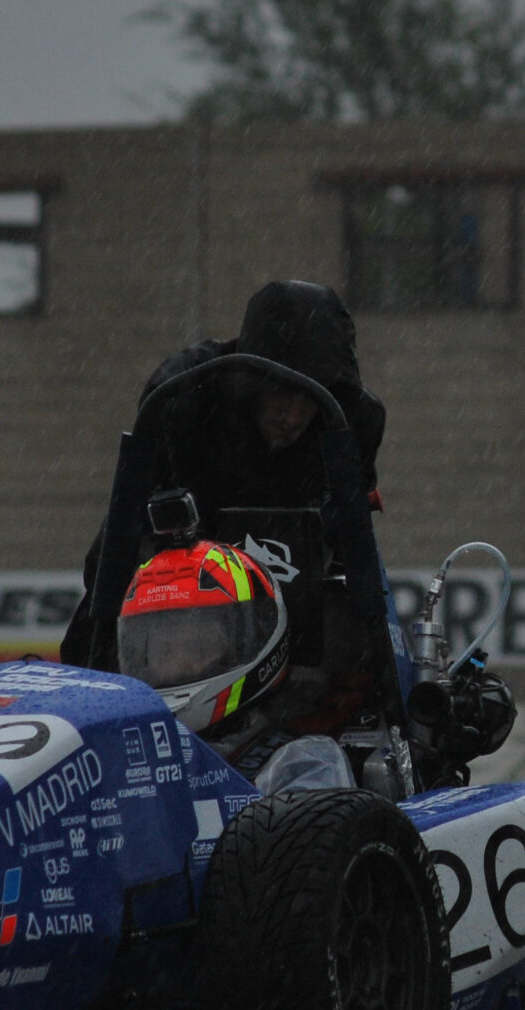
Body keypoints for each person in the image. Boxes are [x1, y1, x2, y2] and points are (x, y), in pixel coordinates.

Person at [61, 279, 393, 774]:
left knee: (372, 626)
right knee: (116, 623)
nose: (293, 414)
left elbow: (355, 551)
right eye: (283, 393)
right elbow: (124, 540)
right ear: (254, 382)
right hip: (181, 588)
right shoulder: (184, 397)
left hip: (294, 593)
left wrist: (381, 669)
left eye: (309, 398)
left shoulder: (352, 422)